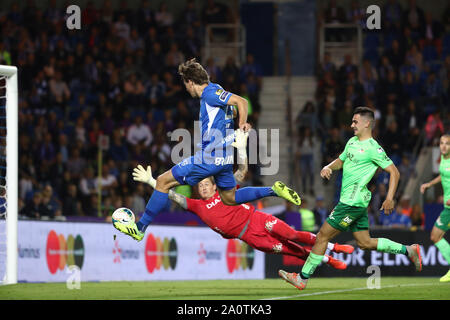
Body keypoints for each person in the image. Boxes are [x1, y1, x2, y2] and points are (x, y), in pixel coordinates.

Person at [113, 59, 301, 241]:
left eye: (186, 84)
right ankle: (273, 190)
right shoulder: (217, 90)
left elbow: (241, 102)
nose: (186, 89)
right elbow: (233, 109)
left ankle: (140, 228)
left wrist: (242, 124)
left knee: (162, 181)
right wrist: (233, 120)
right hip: (226, 158)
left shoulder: (209, 94)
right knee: (229, 197)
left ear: (191, 82)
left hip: (210, 157)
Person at [131, 131, 354, 270]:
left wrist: (241, 149)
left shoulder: (226, 192)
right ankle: (328, 260)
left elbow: (243, 171)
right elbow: (173, 195)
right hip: (248, 236)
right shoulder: (197, 206)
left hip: (256, 219)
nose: (204, 186)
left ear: (215, 185)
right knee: (290, 249)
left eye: (207, 183)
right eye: (201, 185)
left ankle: (334, 246)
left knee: (292, 235)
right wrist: (153, 181)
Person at [278, 107, 423, 291]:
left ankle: (302, 277)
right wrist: (329, 166)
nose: (351, 125)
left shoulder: (373, 148)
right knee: (365, 242)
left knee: (322, 235)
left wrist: (389, 198)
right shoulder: (352, 142)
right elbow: (341, 160)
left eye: (355, 121)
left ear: (367, 123)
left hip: (351, 204)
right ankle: (409, 250)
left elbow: (394, 171)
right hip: (355, 203)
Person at [420, 134, 450, 282]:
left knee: (435, 236)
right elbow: (443, 176)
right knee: (435, 236)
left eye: (447, 144)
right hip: (448, 208)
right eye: (442, 143)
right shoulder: (444, 159)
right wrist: (429, 184)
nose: (444, 146)